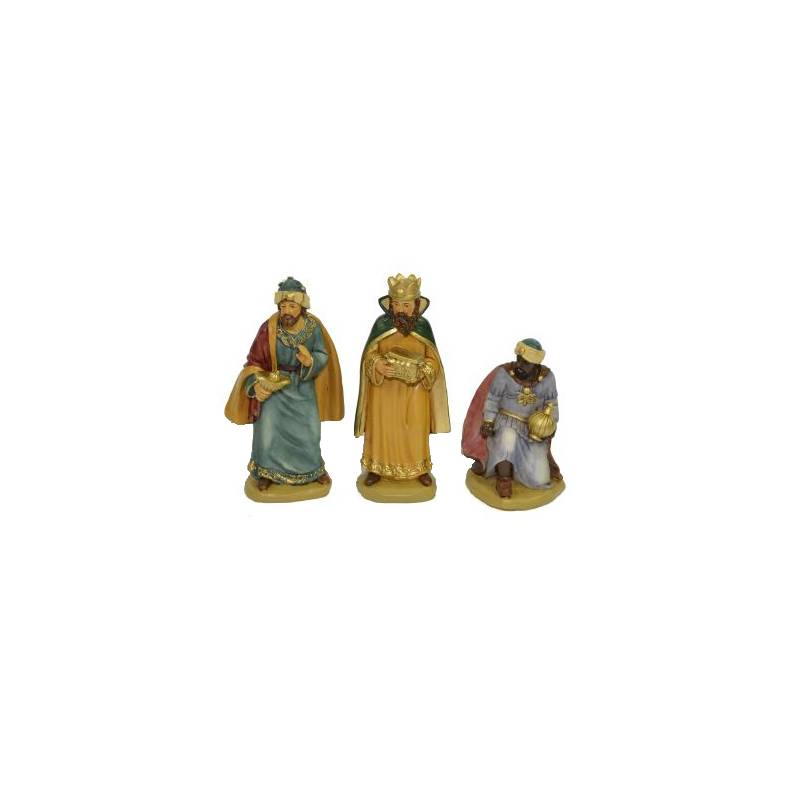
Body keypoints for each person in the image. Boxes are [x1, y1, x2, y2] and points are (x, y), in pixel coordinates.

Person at [225, 277, 343, 491]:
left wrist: (310, 361)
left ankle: (313, 469)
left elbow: (323, 354)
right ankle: (267, 471)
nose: (287, 311)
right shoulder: (269, 328)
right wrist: (256, 384)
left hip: (303, 387)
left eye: (292, 306)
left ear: (302, 307)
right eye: (283, 306)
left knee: (310, 432)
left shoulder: (313, 327)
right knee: (268, 431)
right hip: (275, 389)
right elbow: (253, 363)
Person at [354, 274, 450, 486]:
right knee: (382, 429)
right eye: (396, 304)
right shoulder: (381, 325)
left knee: (414, 429)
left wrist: (423, 370)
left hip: (415, 391)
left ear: (416, 305)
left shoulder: (423, 327)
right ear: (390, 304)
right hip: (384, 391)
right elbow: (369, 355)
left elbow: (433, 360)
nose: (401, 310)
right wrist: (377, 365)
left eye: (406, 305)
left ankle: (418, 467)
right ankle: (377, 467)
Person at [461, 338, 561, 498]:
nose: (520, 365)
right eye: (519, 359)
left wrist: (549, 424)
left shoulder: (547, 378)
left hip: (531, 428)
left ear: (535, 364)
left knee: (540, 479)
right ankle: (504, 479)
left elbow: (552, 403)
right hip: (505, 421)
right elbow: (492, 399)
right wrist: (488, 421)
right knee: (507, 440)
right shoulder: (505, 374)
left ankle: (522, 472)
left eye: (525, 363)